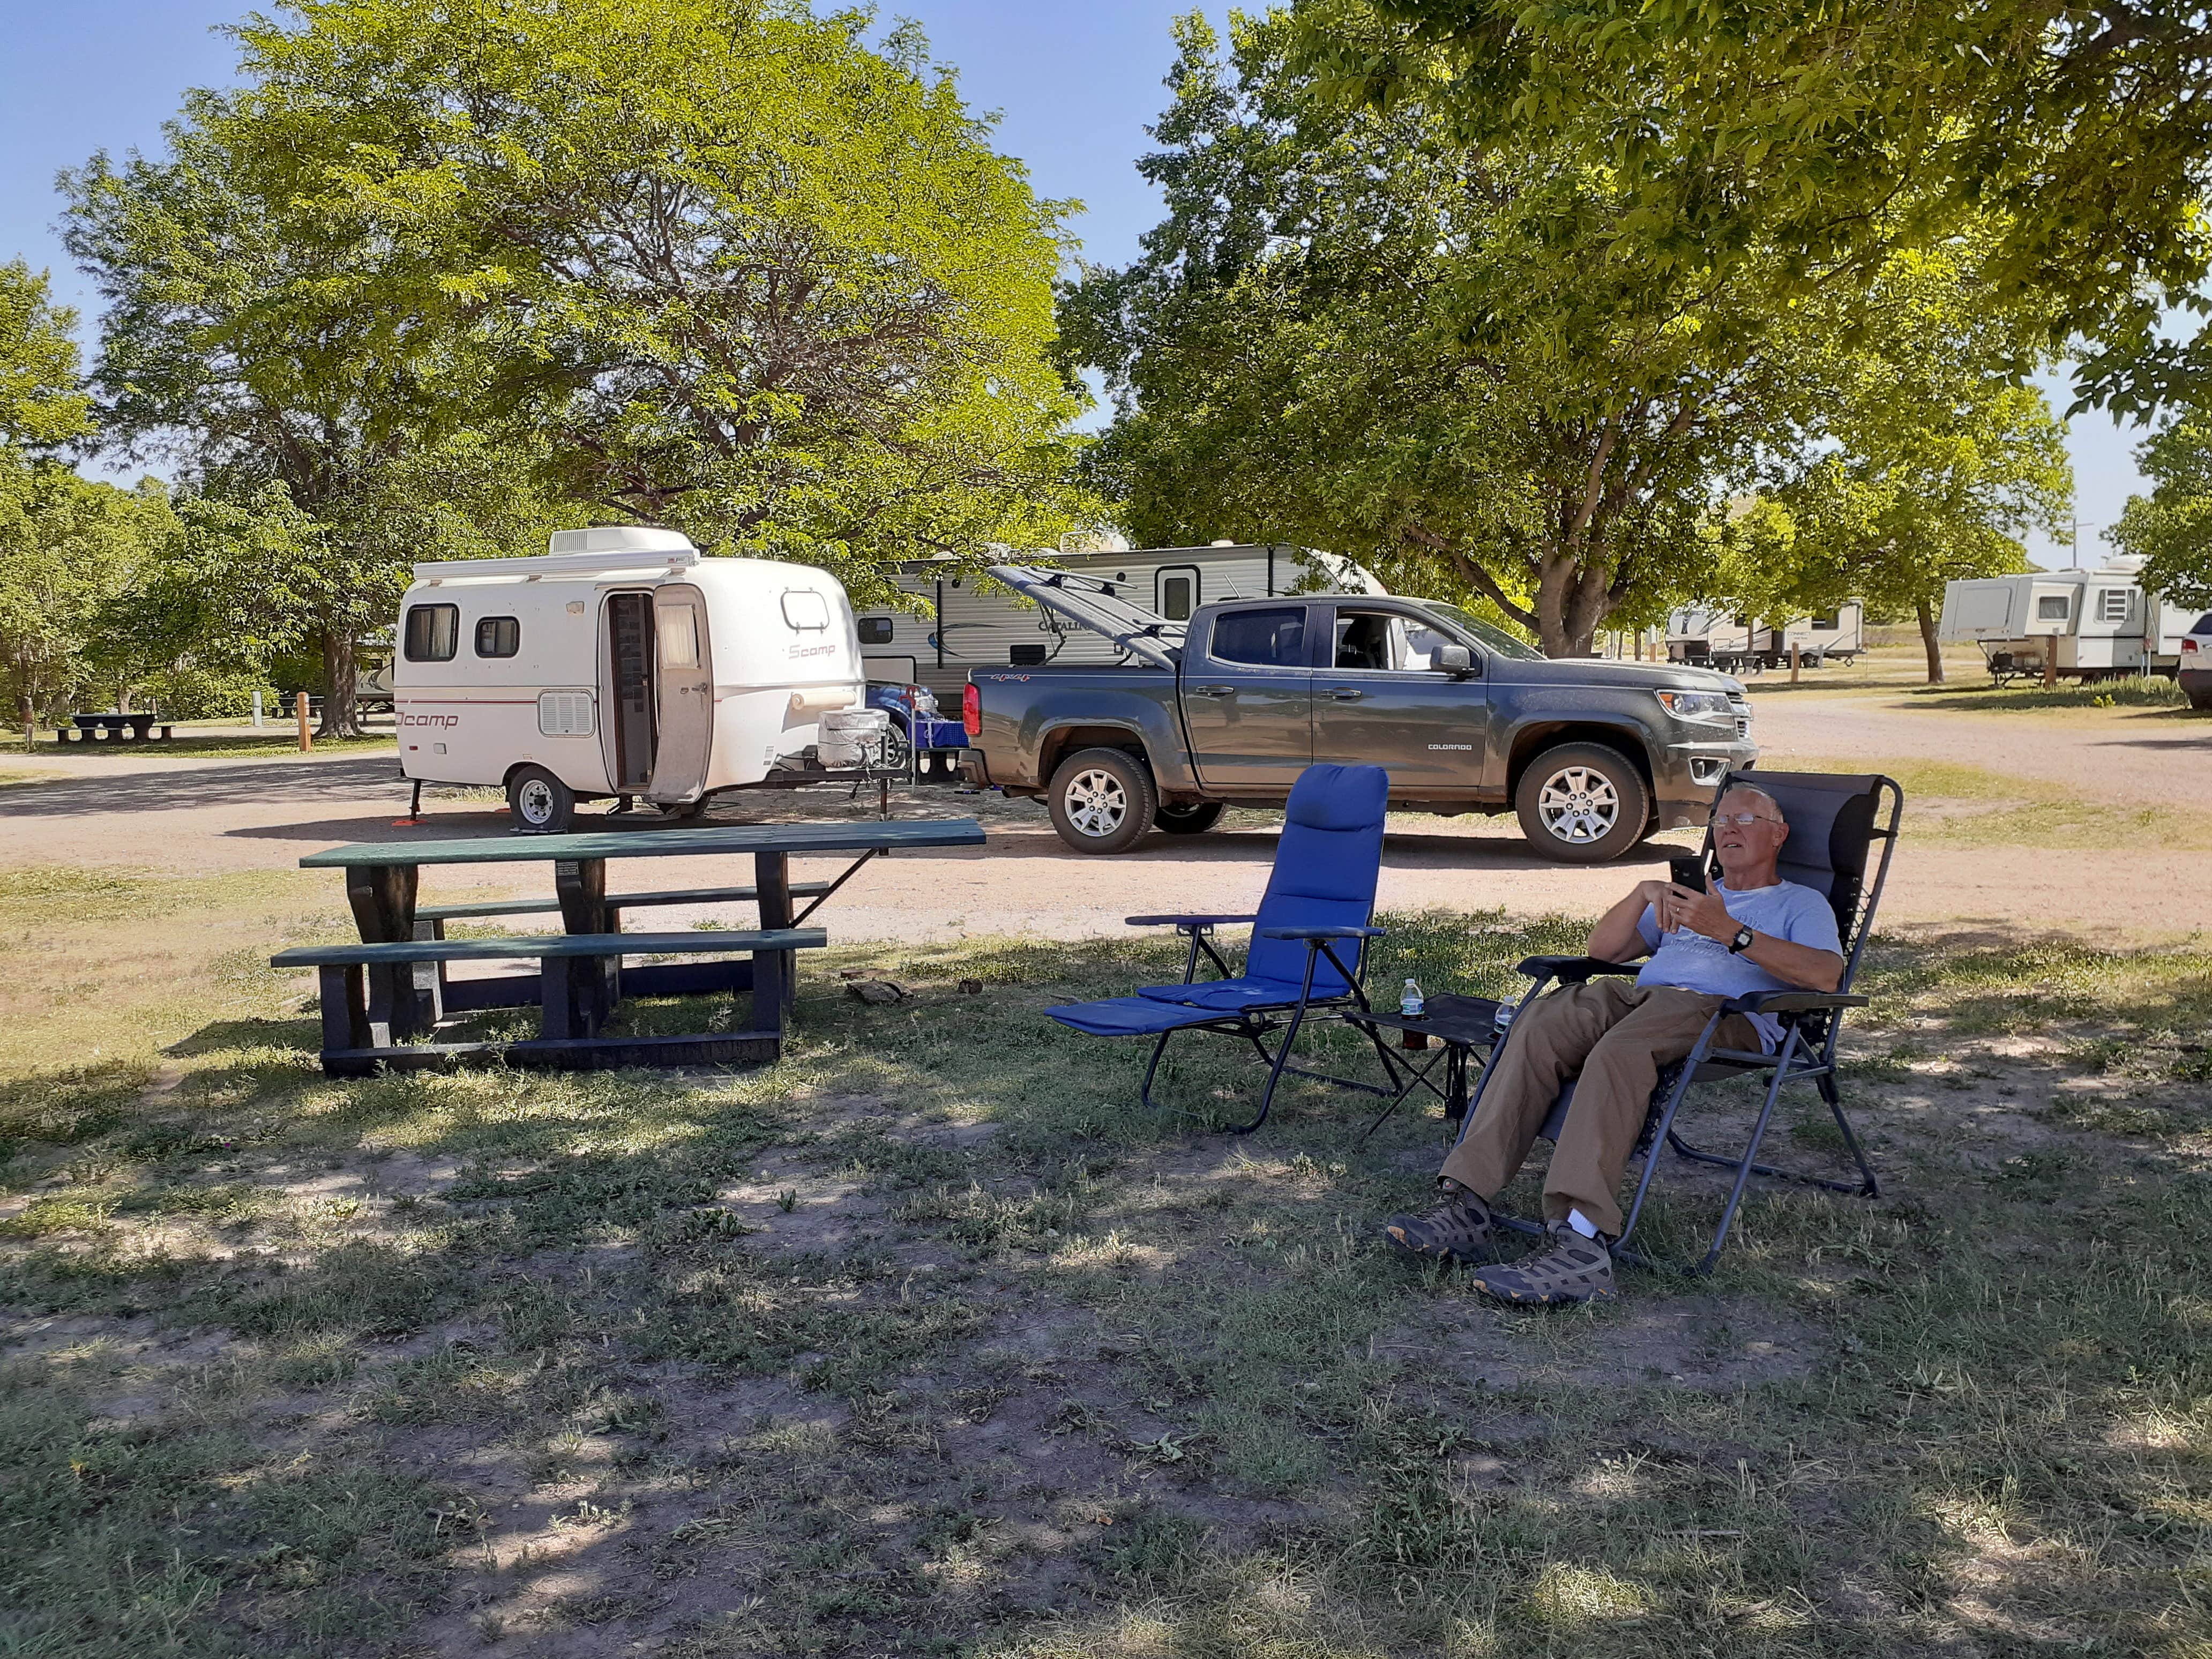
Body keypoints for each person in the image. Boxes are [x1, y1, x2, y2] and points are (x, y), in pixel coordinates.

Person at [1382, 782, 1844, 1305]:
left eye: (1746, 820)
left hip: (1726, 1013)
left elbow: (1827, 975)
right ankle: (1467, 1204)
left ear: (1780, 835)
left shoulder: (1799, 903)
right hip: (1643, 998)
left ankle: (1581, 1245)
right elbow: (1603, 949)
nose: (1729, 828)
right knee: (1539, 1023)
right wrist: (1644, 894)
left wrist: (1733, 932)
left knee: (1620, 1050)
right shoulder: (1692, 894)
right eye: (1721, 821)